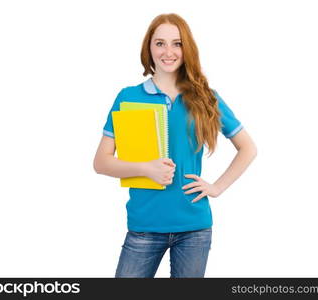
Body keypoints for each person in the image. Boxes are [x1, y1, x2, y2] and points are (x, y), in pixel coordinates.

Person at [93, 13, 257, 278]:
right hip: (144, 225)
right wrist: (146, 169)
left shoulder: (206, 98)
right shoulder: (128, 96)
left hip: (194, 227)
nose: (168, 52)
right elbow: (101, 162)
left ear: (186, 49)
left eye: (176, 43)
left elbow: (248, 148)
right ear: (149, 48)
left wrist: (216, 187)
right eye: (160, 43)